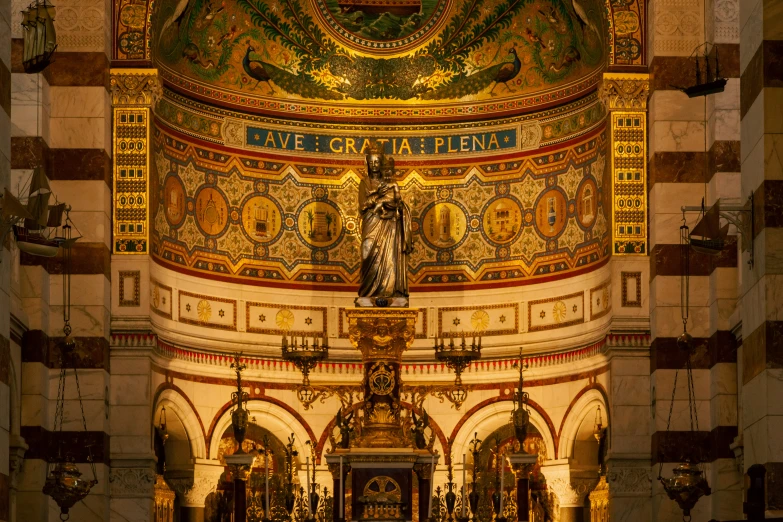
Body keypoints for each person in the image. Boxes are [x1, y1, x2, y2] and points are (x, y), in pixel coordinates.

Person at [358, 146, 412, 300]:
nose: (374, 165)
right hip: (371, 223)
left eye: (377, 162)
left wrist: (396, 205)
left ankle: (388, 291)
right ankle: (368, 293)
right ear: (367, 164)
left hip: (389, 226)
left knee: (390, 259)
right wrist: (376, 197)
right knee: (367, 254)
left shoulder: (389, 182)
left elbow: (397, 201)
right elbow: (362, 206)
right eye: (371, 162)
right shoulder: (365, 183)